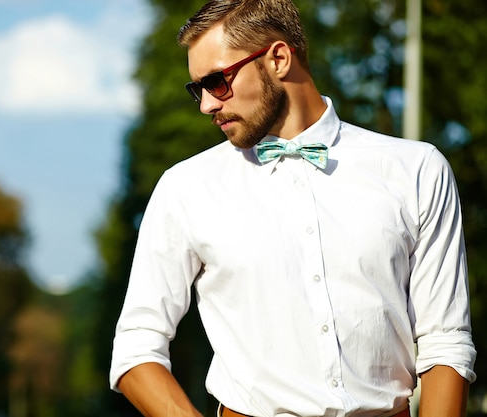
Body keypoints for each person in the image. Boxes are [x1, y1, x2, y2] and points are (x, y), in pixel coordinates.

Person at [109, 0, 477, 416]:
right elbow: (137, 346)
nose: (207, 105)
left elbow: (445, 339)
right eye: (199, 89)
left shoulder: (416, 169)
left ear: (279, 58)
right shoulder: (186, 188)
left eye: (216, 82)